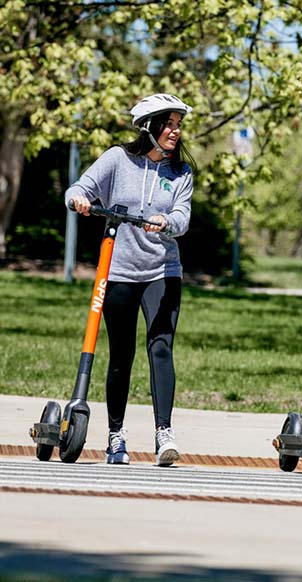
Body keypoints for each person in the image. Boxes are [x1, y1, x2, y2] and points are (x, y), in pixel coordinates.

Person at [65, 93, 196, 467]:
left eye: (178, 125)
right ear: (151, 128)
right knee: (121, 353)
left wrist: (168, 222)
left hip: (162, 271)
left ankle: (164, 434)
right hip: (120, 270)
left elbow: (183, 217)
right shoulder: (117, 159)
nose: (175, 131)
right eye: (169, 124)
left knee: (160, 347)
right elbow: (77, 188)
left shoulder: (181, 173)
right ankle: (115, 436)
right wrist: (80, 201)